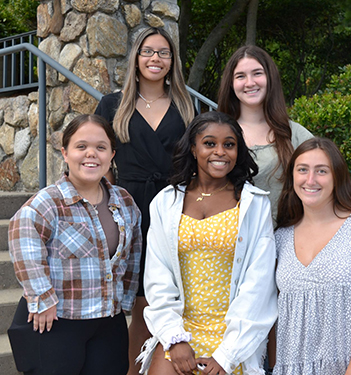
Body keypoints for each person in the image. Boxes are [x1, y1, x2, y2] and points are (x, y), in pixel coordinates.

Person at [137, 111, 278, 375]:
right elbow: (158, 277)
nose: (220, 152)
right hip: (180, 330)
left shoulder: (254, 204)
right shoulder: (166, 202)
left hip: (234, 336)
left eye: (229, 144)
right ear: (193, 148)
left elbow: (259, 284)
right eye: (210, 143)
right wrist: (174, 339)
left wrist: (227, 354)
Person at [7, 114, 142, 375]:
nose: (91, 154)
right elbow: (23, 236)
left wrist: (126, 298)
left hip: (107, 321)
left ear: (111, 155)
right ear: (65, 153)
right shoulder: (49, 202)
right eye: (81, 146)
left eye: (100, 147)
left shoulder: (124, 201)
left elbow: (133, 250)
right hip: (57, 320)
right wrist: (42, 298)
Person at [95, 27, 195, 374]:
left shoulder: (185, 104)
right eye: (149, 52)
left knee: (158, 301)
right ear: (136, 58)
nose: (156, 59)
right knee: (138, 303)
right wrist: (105, 205)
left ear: (173, 61)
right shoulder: (111, 104)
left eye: (164, 53)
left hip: (172, 206)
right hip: (128, 207)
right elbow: (102, 160)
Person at [274, 137, 351, 374]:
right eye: (302, 170)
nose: (310, 180)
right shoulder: (281, 238)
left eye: (321, 171)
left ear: (337, 176)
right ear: (292, 177)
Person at [217, 45, 313, 225]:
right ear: (231, 83)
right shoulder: (216, 136)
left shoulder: (295, 134)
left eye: (257, 73)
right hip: (230, 243)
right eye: (240, 76)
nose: (250, 82)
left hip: (287, 243)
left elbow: (326, 180)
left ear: (270, 78)